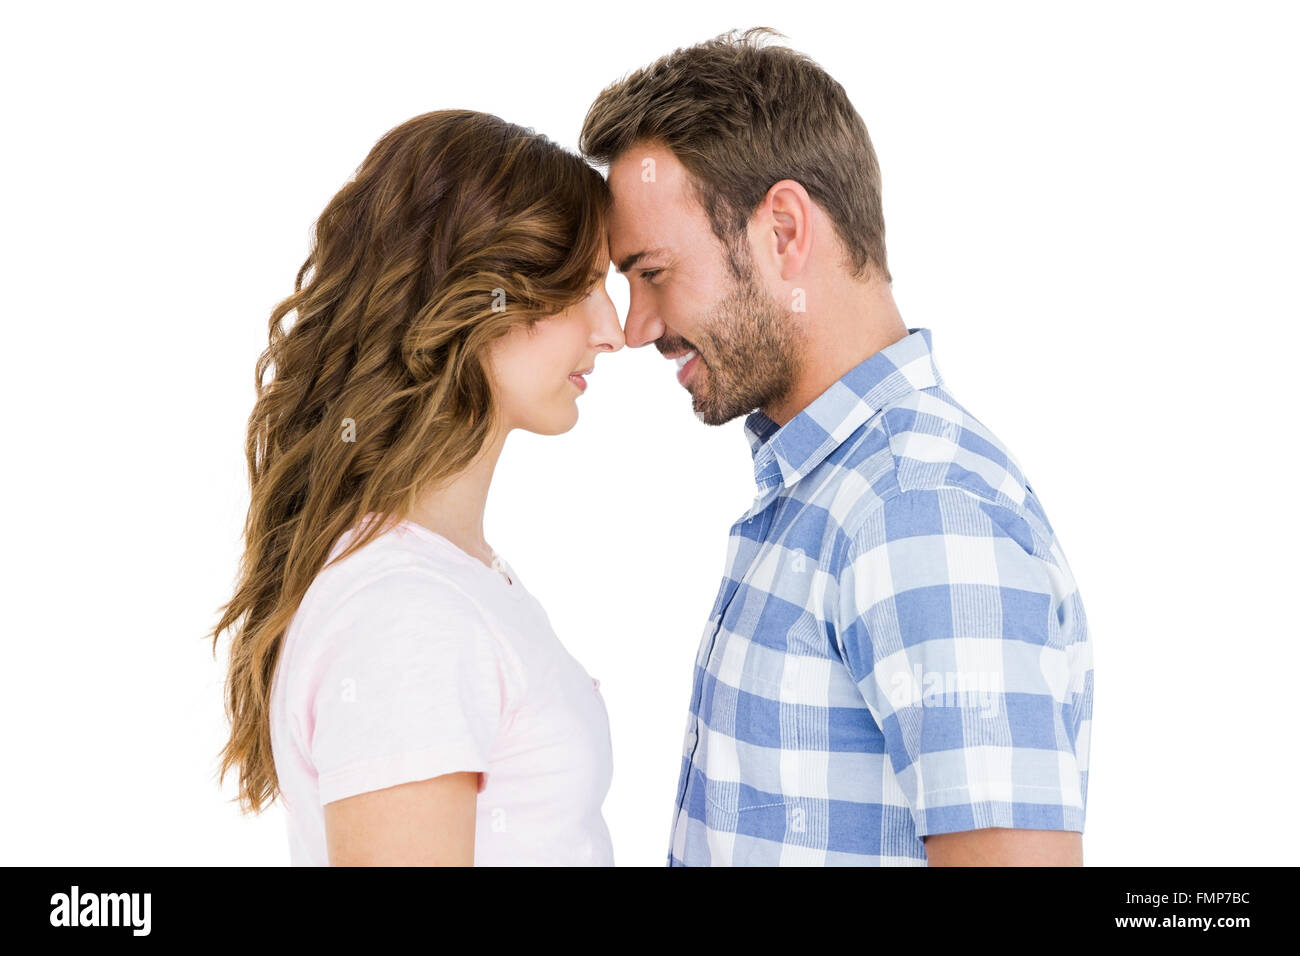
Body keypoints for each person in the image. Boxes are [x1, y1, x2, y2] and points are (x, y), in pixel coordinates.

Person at [579, 27, 1094, 866]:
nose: (636, 328)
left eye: (654, 273)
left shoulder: (916, 508)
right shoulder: (824, 493)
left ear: (783, 230)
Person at [210, 109, 624, 865]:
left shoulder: (445, 577)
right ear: (481, 298)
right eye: (584, 284)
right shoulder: (405, 614)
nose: (614, 328)